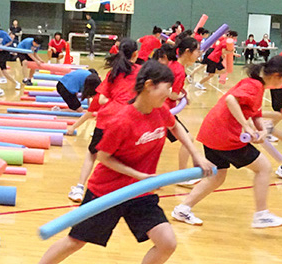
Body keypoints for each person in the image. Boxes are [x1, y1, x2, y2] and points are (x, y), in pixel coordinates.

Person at [39, 60, 214, 264]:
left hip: (140, 192)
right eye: (166, 89)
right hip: (107, 191)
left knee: (167, 243)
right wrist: (140, 176)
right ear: (149, 85)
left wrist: (196, 155)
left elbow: (175, 127)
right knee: (75, 241)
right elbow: (103, 158)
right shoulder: (122, 121)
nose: (169, 95)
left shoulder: (160, 110)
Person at [172, 56, 282, 229]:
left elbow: (255, 113)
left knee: (217, 176)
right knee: (264, 168)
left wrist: (259, 130)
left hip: (212, 132)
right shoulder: (254, 86)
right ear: (276, 75)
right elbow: (231, 100)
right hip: (224, 135)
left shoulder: (256, 85)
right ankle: (261, 215)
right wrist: (247, 127)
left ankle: (182, 209)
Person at [68, 38, 139, 201]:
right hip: (128, 122)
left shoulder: (113, 72)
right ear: (136, 54)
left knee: (92, 154)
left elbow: (101, 100)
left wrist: (116, 104)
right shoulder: (141, 72)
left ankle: (79, 187)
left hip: (107, 121)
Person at [160, 37, 203, 186]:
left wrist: (182, 92)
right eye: (197, 50)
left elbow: (172, 87)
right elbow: (171, 94)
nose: (199, 53)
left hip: (163, 110)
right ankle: (182, 176)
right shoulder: (179, 70)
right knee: (188, 140)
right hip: (163, 113)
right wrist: (181, 95)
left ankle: (182, 175)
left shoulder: (175, 66)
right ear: (187, 51)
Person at [0, 19, 21, 90]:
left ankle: (2, 78)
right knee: (4, 71)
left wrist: (4, 47)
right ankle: (16, 83)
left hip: (5, 52)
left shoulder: (3, 33)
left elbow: (10, 42)